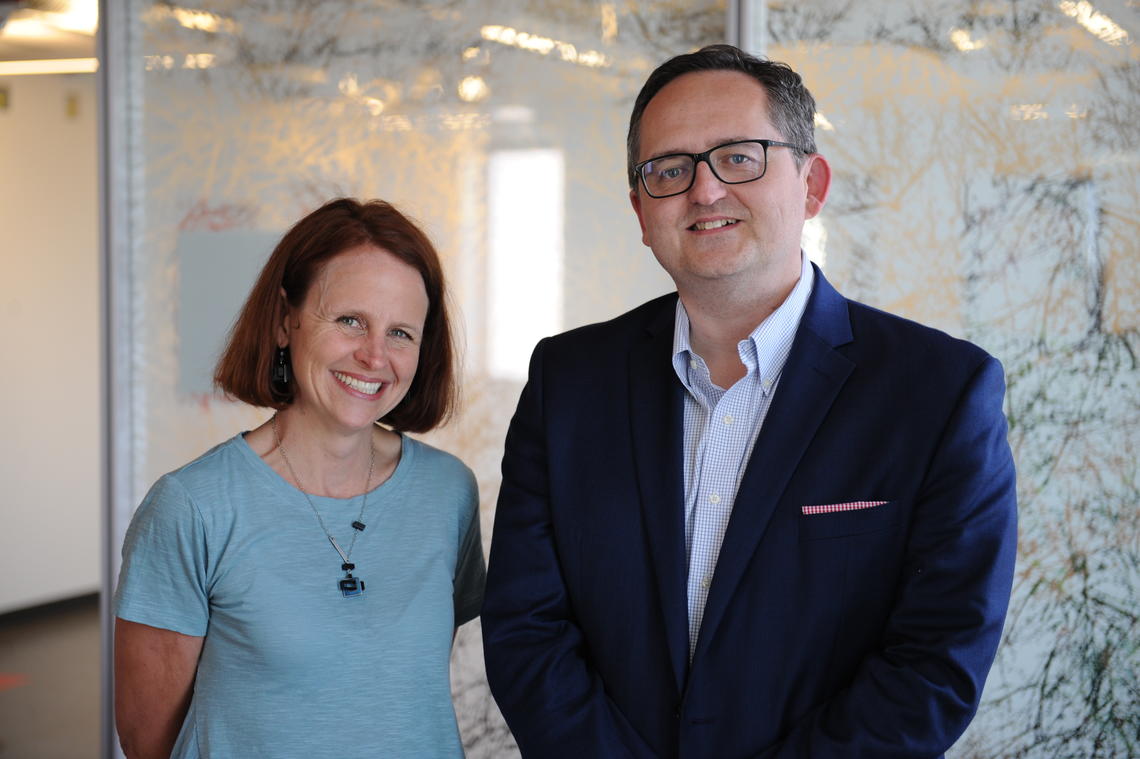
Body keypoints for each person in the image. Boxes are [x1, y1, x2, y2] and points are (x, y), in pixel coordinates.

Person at [481, 44, 1018, 759]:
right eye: (669, 170)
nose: (704, 191)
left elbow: (933, 662)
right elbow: (527, 629)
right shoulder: (567, 381)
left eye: (740, 157)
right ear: (641, 211)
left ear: (812, 183)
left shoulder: (940, 393)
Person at [114, 198, 485, 758]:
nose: (374, 356)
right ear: (287, 321)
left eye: (402, 333)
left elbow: (394, 690)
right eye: (350, 320)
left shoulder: (448, 492)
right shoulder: (192, 507)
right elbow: (149, 740)